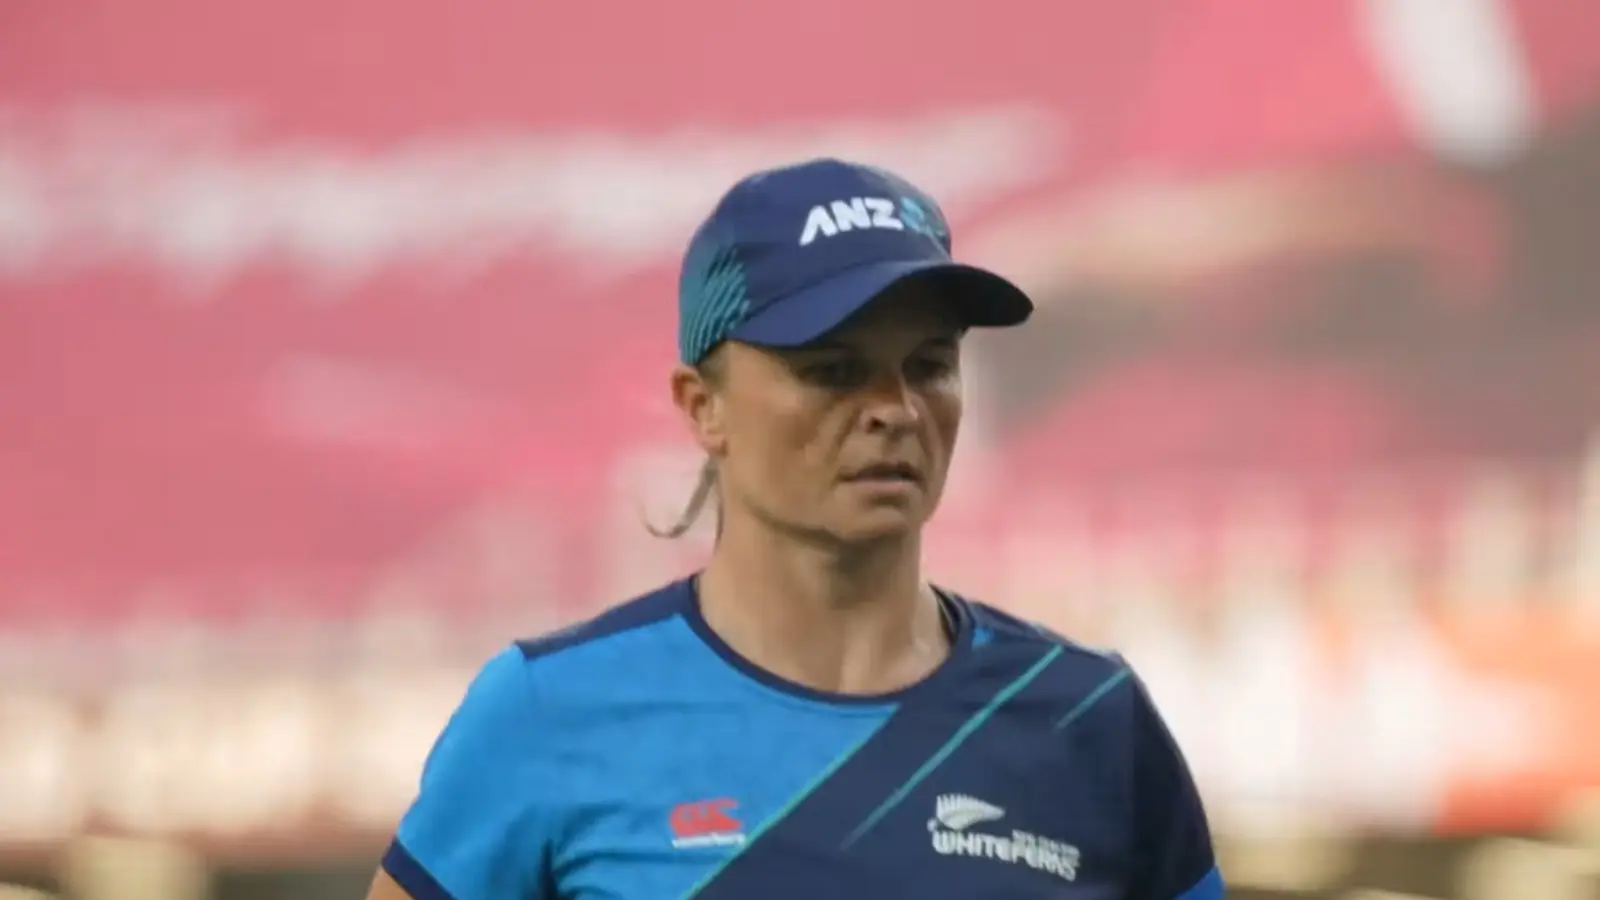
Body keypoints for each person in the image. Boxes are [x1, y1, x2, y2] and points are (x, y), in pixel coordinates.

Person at [365, 158, 1225, 900]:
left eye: (929, 365)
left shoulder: (1091, 720)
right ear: (702, 407)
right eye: (832, 371)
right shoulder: (548, 714)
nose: (895, 409)